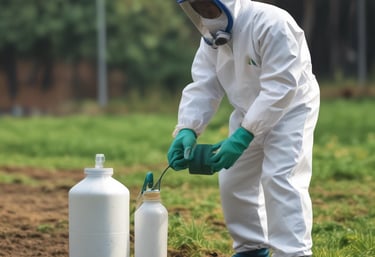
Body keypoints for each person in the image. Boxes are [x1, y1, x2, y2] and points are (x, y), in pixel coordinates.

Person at [167, 0, 320, 256]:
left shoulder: (272, 23)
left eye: (206, 4)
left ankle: (292, 252)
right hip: (247, 110)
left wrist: (243, 136)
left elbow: (281, 87)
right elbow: (204, 85)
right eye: (195, 5)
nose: (202, 11)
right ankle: (252, 248)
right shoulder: (212, 38)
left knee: (281, 179)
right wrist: (188, 129)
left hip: (290, 109)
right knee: (233, 181)